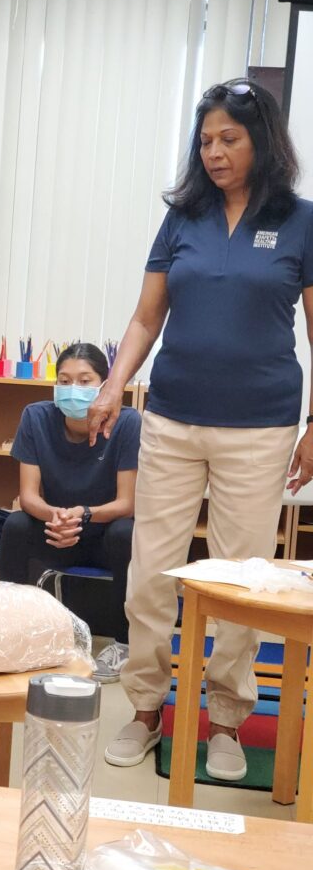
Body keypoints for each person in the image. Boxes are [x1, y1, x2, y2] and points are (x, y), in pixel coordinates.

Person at [90, 79, 313, 781]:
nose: (214, 153)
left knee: (239, 581)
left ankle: (225, 721)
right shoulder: (182, 218)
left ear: (262, 143)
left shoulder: (301, 220)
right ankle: (146, 709)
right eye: (206, 140)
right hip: (173, 418)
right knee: (152, 572)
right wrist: (111, 382)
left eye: (230, 140)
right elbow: (145, 316)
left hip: (262, 426)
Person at [0, 342, 140, 681]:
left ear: (105, 386)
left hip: (104, 533)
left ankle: (123, 643)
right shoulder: (36, 417)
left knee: (128, 532)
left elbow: (127, 503)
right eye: (64, 380)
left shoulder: (128, 422)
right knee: (15, 525)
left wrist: (83, 514)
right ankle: (9, 633)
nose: (72, 389)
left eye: (85, 380)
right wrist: (56, 518)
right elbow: (28, 496)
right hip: (57, 530)